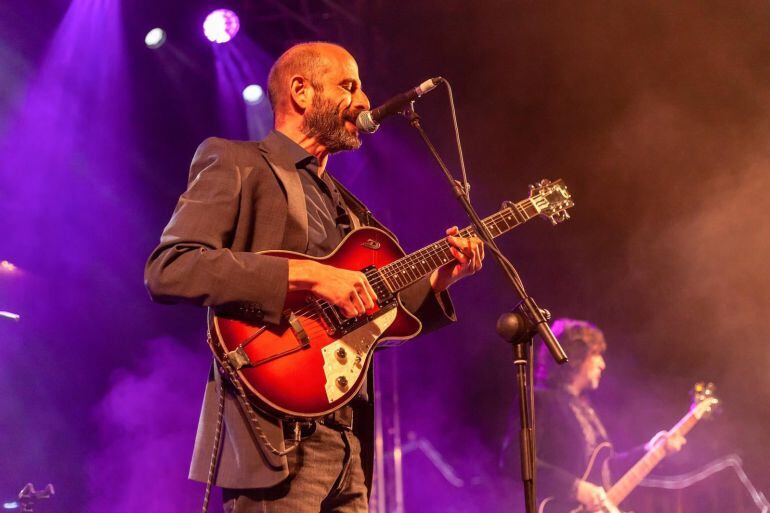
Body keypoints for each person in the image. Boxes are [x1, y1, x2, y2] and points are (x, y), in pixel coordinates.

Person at [144, 41, 484, 513]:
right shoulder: (236, 162)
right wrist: (308, 276)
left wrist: (439, 279)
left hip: (345, 443)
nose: (365, 101)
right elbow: (171, 267)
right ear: (301, 91)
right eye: (349, 86)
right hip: (271, 439)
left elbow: (368, 321)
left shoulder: (349, 207)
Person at [531, 318, 686, 511]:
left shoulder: (584, 407)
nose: (602, 364)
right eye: (596, 354)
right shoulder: (541, 400)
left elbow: (607, 469)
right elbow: (517, 460)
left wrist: (650, 450)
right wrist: (576, 488)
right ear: (576, 354)